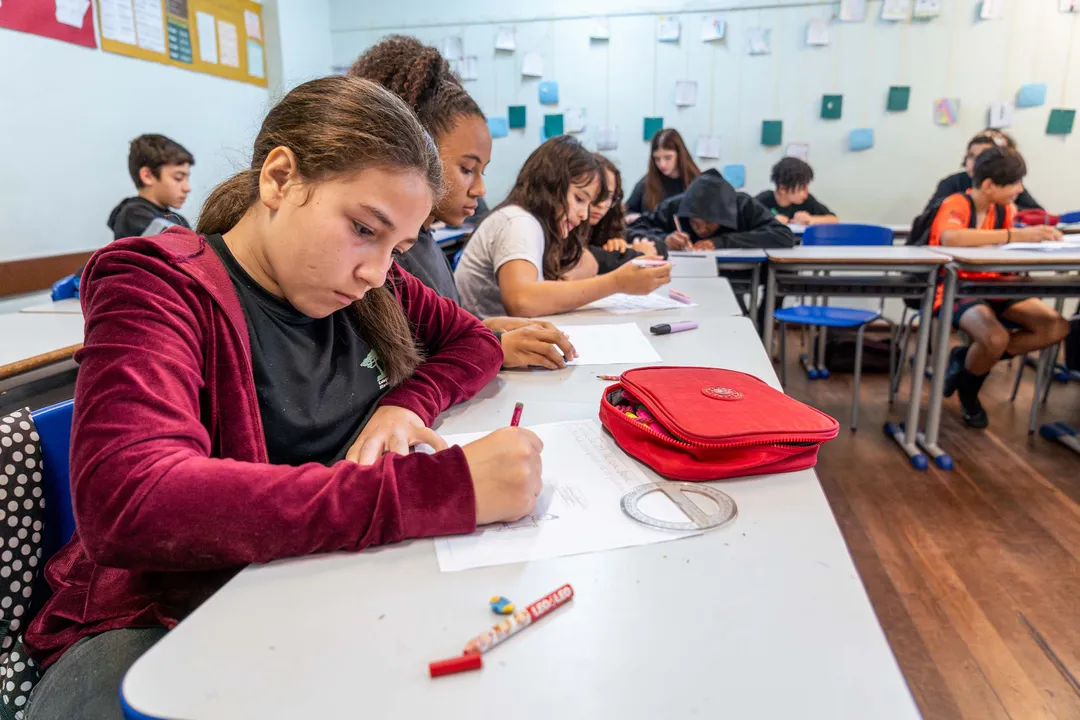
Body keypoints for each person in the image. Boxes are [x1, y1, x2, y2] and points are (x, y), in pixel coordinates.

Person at [24, 77, 545, 719]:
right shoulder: (156, 283)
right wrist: (435, 489)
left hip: (311, 582)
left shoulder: (371, 289)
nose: (376, 272)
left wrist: (405, 402)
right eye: (362, 229)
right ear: (278, 179)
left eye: (399, 249)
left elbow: (473, 341)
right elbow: (134, 501)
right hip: (167, 621)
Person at [349, 35, 577, 370]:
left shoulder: (423, 241)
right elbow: (400, 362)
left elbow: (436, 332)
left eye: (482, 171)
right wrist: (494, 346)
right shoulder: (388, 257)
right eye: (468, 169)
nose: (481, 189)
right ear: (415, 151)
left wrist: (487, 329)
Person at [454, 136, 671, 319]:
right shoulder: (518, 221)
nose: (584, 214)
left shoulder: (533, 224)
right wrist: (617, 282)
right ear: (548, 185)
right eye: (579, 198)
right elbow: (522, 300)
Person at [928, 146, 1068, 428]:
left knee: (1055, 327)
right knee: (994, 338)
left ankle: (966, 363)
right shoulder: (957, 203)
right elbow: (950, 237)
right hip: (958, 289)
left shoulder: (1005, 209)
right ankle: (970, 390)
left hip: (998, 285)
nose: (1019, 189)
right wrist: (1016, 234)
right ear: (990, 185)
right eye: (1014, 183)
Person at [627, 168, 794, 253]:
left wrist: (720, 242)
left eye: (709, 223)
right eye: (694, 222)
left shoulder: (742, 205)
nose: (701, 229)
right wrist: (664, 240)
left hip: (738, 275)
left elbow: (783, 235)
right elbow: (632, 229)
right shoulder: (675, 206)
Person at [926, 130, 1042, 211]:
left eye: (983, 155)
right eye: (971, 156)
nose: (975, 162)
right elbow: (930, 217)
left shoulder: (1007, 185)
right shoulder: (952, 182)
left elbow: (1038, 215)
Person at [107, 134, 194, 240]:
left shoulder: (178, 219)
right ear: (148, 176)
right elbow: (180, 245)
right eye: (178, 178)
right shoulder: (133, 216)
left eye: (187, 179)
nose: (187, 188)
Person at [587, 154, 659, 274]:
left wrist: (626, 247)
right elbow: (591, 258)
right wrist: (640, 254)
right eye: (597, 194)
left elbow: (657, 243)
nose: (602, 204)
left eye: (609, 196)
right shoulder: (569, 226)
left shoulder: (607, 221)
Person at [624, 128, 700, 217]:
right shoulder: (646, 183)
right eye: (657, 159)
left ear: (680, 155)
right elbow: (627, 211)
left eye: (668, 158)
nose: (662, 164)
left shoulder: (697, 182)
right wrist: (632, 217)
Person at [755, 157, 838, 226]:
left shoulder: (807, 201)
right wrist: (770, 220)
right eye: (802, 188)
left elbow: (834, 219)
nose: (806, 192)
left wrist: (811, 219)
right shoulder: (763, 200)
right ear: (782, 189)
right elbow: (743, 220)